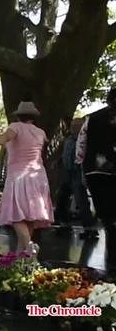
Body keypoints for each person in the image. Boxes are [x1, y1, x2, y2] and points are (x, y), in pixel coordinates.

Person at [0, 101, 54, 254]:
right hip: (38, 176)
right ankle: (22, 257)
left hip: (19, 176)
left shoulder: (15, 127)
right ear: (33, 117)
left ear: (18, 116)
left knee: (16, 215)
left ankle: (29, 247)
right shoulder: (40, 132)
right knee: (30, 217)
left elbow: (6, 137)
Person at [76, 88, 116, 269]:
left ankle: (111, 254)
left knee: (107, 216)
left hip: (95, 172)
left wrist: (83, 169)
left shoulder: (91, 118)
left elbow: (81, 146)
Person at [55, 118, 96, 238]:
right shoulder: (69, 139)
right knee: (61, 199)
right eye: (73, 125)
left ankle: (89, 229)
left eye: (77, 125)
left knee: (81, 201)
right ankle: (65, 224)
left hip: (78, 173)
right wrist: (58, 162)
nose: (74, 128)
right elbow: (65, 154)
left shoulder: (85, 140)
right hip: (67, 173)